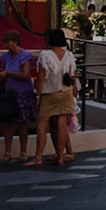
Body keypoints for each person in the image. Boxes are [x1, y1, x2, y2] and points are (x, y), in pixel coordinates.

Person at [34, 27, 78, 167]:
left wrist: (38, 96)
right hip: (65, 92)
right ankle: (60, 157)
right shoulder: (69, 55)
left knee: (41, 124)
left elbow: (41, 78)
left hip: (49, 93)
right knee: (61, 124)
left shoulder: (45, 55)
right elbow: (74, 76)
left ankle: (38, 157)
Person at [0, 30, 39, 164]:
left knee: (22, 123)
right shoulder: (5, 57)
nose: (6, 46)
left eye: (8, 43)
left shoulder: (24, 55)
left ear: (15, 42)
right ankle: (7, 151)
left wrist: (7, 73)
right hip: (10, 92)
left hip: (23, 92)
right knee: (9, 123)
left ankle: (23, 151)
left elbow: (26, 74)